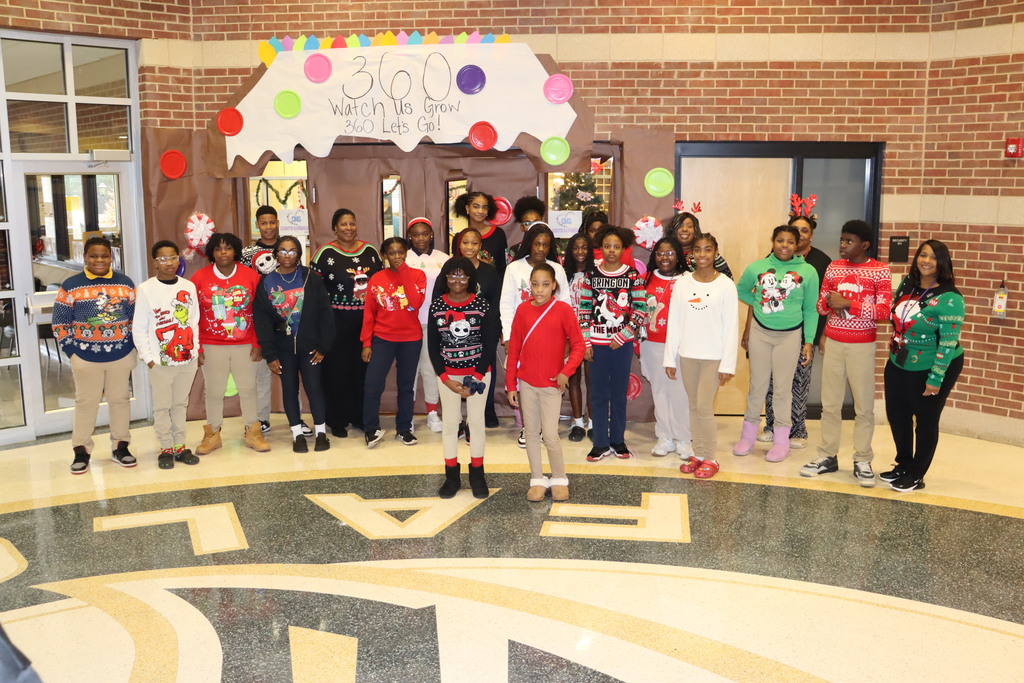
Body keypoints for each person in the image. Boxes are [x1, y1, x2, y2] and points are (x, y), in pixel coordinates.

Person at [801, 220, 891, 486]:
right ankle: (827, 455)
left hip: (862, 346)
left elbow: (884, 311)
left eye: (849, 241)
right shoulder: (834, 267)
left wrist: (849, 302)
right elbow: (820, 306)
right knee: (830, 404)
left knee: (863, 407)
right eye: (842, 240)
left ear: (865, 245)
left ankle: (862, 459)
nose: (843, 245)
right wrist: (831, 301)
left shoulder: (880, 271)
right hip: (834, 343)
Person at [881, 240, 964, 492]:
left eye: (933, 257)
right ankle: (904, 464)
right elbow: (896, 317)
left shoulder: (951, 298)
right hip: (899, 360)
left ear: (943, 263)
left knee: (926, 420)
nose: (926, 261)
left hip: (933, 364)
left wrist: (936, 378)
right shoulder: (908, 284)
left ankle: (917, 474)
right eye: (923, 255)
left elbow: (947, 343)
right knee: (897, 415)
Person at [733, 225, 820, 462]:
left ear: (796, 244)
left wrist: (809, 341)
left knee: (782, 389)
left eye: (790, 241)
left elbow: (811, 309)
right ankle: (747, 437)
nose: (785, 245)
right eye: (780, 240)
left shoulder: (808, 271)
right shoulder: (757, 267)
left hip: (790, 336)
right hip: (760, 333)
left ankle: (782, 442)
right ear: (773, 241)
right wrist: (758, 301)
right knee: (757, 386)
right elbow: (741, 290)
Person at [53, 236, 137, 474]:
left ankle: (121, 446)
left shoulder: (125, 283)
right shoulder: (71, 285)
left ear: (111, 257)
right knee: (86, 403)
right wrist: (72, 352)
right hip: (85, 357)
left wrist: (131, 347)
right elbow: (59, 323)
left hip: (120, 355)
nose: (99, 260)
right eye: (94, 256)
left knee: (120, 400)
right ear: (85, 257)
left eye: (104, 256)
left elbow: (135, 318)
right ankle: (81, 451)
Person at [507, 263, 586, 501]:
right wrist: (511, 385)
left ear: (554, 286)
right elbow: (514, 349)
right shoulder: (522, 310)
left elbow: (579, 345)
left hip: (552, 384)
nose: (539, 289)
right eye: (535, 284)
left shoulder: (563, 310)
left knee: (550, 434)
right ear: (529, 286)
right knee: (531, 433)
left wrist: (566, 372)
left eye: (545, 284)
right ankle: (537, 478)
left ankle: (559, 477)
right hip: (527, 383)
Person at [664, 233, 738, 479]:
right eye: (698, 249)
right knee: (693, 406)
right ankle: (698, 453)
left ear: (715, 253)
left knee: (705, 408)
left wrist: (727, 364)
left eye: (708, 249)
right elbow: (674, 322)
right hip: (687, 355)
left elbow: (731, 327)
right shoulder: (683, 284)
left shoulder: (726, 285)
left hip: (713, 357)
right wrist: (669, 358)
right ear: (692, 254)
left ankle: (711, 458)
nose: (703, 254)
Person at [754, 211, 831, 448]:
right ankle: (772, 426)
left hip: (806, 331)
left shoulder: (821, 261)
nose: (799, 235)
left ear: (810, 235)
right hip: (773, 329)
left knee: (798, 383)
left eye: (804, 230)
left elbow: (825, 301)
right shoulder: (773, 258)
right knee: (772, 382)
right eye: (795, 230)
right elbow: (759, 296)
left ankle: (797, 431)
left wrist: (821, 335)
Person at [253, 237, 336, 453]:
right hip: (283, 349)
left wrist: (323, 346)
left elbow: (325, 314)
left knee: (314, 388)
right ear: (275, 254)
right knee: (289, 389)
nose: (287, 255)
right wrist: (270, 354)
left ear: (298, 254)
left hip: (311, 347)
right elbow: (262, 321)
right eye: (282, 251)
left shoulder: (310, 278)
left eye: (292, 251)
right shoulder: (266, 282)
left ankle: (321, 433)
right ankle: (297, 434)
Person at [191, 232, 270, 454]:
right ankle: (212, 434)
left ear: (235, 251)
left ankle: (253, 432)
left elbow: (260, 313)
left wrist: (258, 342)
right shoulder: (199, 278)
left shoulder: (251, 276)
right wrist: (197, 346)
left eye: (227, 248)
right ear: (211, 253)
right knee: (213, 391)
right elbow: (192, 315)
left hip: (245, 344)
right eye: (218, 248)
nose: (223, 252)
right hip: (211, 344)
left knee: (248, 389)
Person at [428, 257, 499, 499]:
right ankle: (452, 477)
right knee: (450, 424)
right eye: (452, 275)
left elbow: (489, 343)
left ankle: (477, 475)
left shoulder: (481, 305)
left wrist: (476, 377)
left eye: (463, 275)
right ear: (445, 278)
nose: (457, 280)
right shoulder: (437, 306)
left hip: (479, 373)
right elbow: (433, 346)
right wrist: (445, 378)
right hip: (448, 375)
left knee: (476, 423)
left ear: (470, 279)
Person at [311, 208, 383, 437]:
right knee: (336, 372)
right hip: (335, 324)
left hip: (366, 323)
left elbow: (381, 285)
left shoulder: (370, 252)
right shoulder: (324, 253)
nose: (348, 228)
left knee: (363, 372)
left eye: (352, 223)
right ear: (335, 228)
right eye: (343, 224)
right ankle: (337, 420)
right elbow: (314, 290)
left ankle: (360, 417)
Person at [579, 225, 647, 461]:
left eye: (616, 246)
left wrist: (623, 335)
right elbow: (583, 311)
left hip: (621, 345)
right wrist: (586, 342)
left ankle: (617, 440)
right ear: (600, 247)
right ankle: (600, 443)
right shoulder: (591, 276)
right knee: (598, 395)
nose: (611, 250)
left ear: (623, 249)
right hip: (596, 346)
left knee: (618, 394)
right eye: (607, 246)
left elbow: (640, 309)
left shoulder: (632, 276)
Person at [500, 222, 571, 446]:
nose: (540, 249)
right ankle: (528, 427)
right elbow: (506, 304)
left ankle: (545, 428)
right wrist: (508, 336)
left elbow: (566, 303)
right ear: (528, 243)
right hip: (521, 336)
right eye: (536, 243)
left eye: (545, 245)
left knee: (548, 382)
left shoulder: (557, 269)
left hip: (551, 339)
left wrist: (566, 340)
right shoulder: (514, 268)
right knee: (523, 383)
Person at [132, 240, 200, 469]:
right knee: (162, 407)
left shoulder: (188, 286)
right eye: (163, 259)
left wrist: (195, 349)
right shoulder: (146, 289)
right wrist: (149, 359)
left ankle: (180, 446)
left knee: (180, 404)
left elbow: (194, 321)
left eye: (173, 257)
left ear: (178, 259)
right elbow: (139, 327)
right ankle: (165, 448)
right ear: (155, 263)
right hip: (160, 362)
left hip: (187, 359)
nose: (169, 263)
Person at [361, 237, 427, 448]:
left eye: (401, 252)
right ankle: (371, 429)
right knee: (373, 384)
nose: (397, 256)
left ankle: (404, 429)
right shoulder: (377, 278)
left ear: (406, 253)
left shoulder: (418, 275)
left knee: (406, 386)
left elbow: (415, 303)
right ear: (384, 255)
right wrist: (366, 342)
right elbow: (369, 313)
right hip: (382, 338)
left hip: (411, 339)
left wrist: (404, 271)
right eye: (392, 253)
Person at [445, 226, 502, 441]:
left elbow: (496, 303)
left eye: (474, 243)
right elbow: (440, 300)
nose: (469, 247)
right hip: (455, 334)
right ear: (458, 244)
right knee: (456, 374)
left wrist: (495, 329)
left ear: (481, 246)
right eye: (465, 242)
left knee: (484, 371)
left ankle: (481, 415)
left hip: (484, 332)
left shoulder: (489, 271)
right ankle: (458, 420)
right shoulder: (450, 269)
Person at [639, 236, 693, 458]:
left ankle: (683, 438)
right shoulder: (646, 278)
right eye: (660, 253)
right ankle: (664, 436)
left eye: (670, 253)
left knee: (680, 391)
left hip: (681, 345)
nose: (665, 257)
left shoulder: (688, 279)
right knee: (659, 390)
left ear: (678, 255)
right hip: (652, 343)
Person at [240, 205, 291, 436]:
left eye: (272, 222)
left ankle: (295, 417)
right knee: (260, 373)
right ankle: (261, 418)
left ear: (278, 223)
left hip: (287, 317)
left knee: (290, 371)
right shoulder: (247, 253)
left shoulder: (288, 247)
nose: (268, 227)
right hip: (259, 318)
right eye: (264, 223)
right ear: (257, 225)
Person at [405, 217, 449, 433]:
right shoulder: (403, 257)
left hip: (433, 324)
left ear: (431, 235)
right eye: (416, 234)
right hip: (408, 324)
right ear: (409, 237)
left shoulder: (444, 259)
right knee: (409, 370)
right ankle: (407, 415)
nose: (421, 238)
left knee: (431, 369)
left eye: (425, 234)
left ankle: (432, 413)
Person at [562, 232, 594, 442]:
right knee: (573, 379)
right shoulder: (564, 276)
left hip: (591, 335)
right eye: (575, 247)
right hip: (570, 335)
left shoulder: (596, 274)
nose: (580, 252)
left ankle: (593, 421)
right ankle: (577, 422)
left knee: (592, 380)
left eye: (584, 247)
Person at [454, 191, 506, 280]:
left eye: (485, 207)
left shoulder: (498, 234)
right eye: (476, 207)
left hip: (493, 284)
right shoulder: (459, 237)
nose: (481, 211)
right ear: (467, 208)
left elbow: (503, 266)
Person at [664, 211, 733, 278]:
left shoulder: (711, 255)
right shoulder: (666, 255)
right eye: (679, 226)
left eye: (689, 226)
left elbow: (727, 281)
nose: (684, 229)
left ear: (695, 230)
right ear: (672, 230)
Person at [506, 195, 546, 262]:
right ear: (522, 227)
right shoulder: (515, 250)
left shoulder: (551, 248)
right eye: (527, 224)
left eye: (536, 222)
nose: (532, 226)